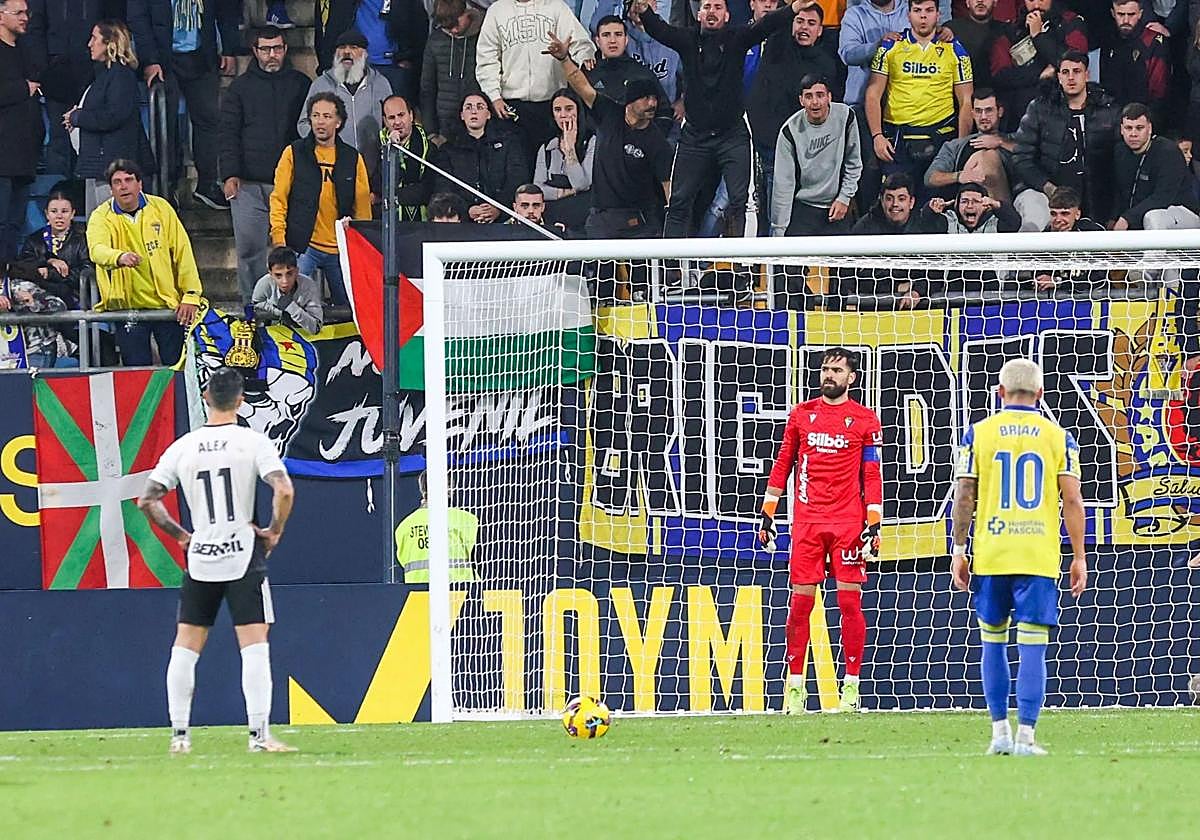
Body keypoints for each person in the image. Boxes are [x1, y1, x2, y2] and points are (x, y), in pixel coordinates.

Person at [138, 366, 298, 755]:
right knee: (255, 644)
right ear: (241, 401)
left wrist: (181, 537)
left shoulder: (183, 446)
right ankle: (259, 736)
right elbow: (284, 489)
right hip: (243, 553)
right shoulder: (252, 441)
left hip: (202, 554)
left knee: (186, 644)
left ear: (206, 397)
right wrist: (274, 530)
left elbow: (147, 499)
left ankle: (179, 737)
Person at [950, 357, 1087, 755]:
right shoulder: (1059, 437)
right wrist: (1078, 556)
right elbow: (1073, 499)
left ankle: (999, 735)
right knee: (1032, 647)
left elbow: (963, 496)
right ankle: (1027, 736)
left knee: (992, 643)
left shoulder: (978, 434)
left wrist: (960, 549)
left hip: (992, 553)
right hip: (1037, 555)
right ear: (1041, 394)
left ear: (1000, 392)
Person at [757, 347, 883, 714]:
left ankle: (851, 687)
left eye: (837, 370)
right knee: (800, 603)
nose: (829, 375)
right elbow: (783, 464)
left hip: (847, 522)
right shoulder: (801, 414)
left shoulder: (864, 420)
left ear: (852, 377)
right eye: (826, 369)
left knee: (848, 601)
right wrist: (769, 512)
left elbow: (872, 474)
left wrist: (873, 523)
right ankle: (795, 687)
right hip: (808, 522)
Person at [630, 0, 807, 237]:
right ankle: (671, 269)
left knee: (741, 202)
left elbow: (766, 25)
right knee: (679, 202)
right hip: (694, 136)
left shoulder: (738, 38)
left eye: (718, 6)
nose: (712, 11)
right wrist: (643, 10)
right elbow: (660, 30)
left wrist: (794, 9)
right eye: (707, 6)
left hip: (732, 135)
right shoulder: (687, 40)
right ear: (699, 14)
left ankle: (742, 269)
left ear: (727, 15)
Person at [546, 33, 674, 240]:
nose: (652, 104)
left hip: (638, 220)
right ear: (630, 102)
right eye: (645, 99)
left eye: (654, 99)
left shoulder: (657, 142)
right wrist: (564, 59)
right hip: (601, 216)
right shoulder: (609, 113)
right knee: (601, 270)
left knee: (640, 271)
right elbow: (581, 84)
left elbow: (668, 186)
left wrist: (672, 227)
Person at [219, 25, 312, 307]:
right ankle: (255, 309)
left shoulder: (301, 84)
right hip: (249, 185)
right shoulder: (239, 88)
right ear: (255, 51)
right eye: (266, 49)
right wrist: (230, 174)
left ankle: (298, 307)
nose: (272, 55)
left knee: (295, 250)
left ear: (285, 49)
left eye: (278, 48)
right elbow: (228, 133)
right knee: (250, 251)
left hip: (290, 184)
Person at [126, 0, 242, 210]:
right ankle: (167, 186)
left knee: (209, 119)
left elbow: (226, 10)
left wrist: (229, 49)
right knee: (165, 124)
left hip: (201, 55)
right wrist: (150, 60)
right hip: (163, 58)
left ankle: (207, 184)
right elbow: (138, 19)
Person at [86, 159, 202, 366]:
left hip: (167, 308)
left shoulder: (161, 208)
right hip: (128, 309)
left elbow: (182, 252)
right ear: (111, 189)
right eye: (117, 182)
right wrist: (118, 257)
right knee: (136, 375)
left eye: (129, 180)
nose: (123, 186)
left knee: (177, 369)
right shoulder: (100, 216)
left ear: (140, 184)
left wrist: (191, 294)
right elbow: (96, 250)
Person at [865, 0, 974, 201]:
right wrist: (877, 136)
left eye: (929, 10)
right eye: (917, 10)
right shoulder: (890, 47)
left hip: (941, 139)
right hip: (897, 141)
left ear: (937, 15)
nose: (923, 16)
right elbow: (873, 94)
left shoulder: (956, 50)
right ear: (908, 15)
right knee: (897, 205)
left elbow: (966, 101)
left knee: (936, 206)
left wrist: (960, 146)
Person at [271, 93, 372, 306]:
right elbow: (279, 198)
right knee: (290, 304)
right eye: (315, 115)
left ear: (339, 122)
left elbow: (362, 208)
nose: (320, 121)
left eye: (326, 116)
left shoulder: (352, 158)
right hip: (302, 246)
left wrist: (359, 248)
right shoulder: (293, 152)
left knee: (349, 308)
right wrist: (279, 239)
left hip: (340, 248)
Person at [476, 0, 595, 173]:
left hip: (551, 105)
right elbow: (486, 58)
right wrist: (494, 96)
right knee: (518, 167)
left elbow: (578, 40)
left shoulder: (556, 7)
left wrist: (585, 56)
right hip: (511, 105)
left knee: (550, 168)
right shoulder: (497, 11)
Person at [747, 3, 842, 219]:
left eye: (811, 23)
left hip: (807, 154)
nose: (804, 28)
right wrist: (793, 7)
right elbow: (772, 22)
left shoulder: (826, 65)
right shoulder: (776, 45)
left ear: (820, 30)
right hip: (770, 146)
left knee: (795, 216)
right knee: (770, 215)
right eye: (799, 21)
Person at [1011, 51, 1119, 230]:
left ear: (1087, 75)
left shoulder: (1108, 110)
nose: (1071, 78)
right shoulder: (1040, 108)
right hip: (1045, 191)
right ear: (1058, 76)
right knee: (1035, 213)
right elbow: (1021, 158)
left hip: (1095, 195)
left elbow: (1119, 163)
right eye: (1065, 72)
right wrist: (1047, 187)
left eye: (1076, 71)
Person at [64, 20, 150, 214]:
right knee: (97, 229)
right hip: (98, 167)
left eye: (94, 38)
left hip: (112, 169)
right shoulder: (103, 76)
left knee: (112, 228)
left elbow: (113, 115)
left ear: (110, 42)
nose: (89, 44)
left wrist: (78, 117)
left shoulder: (121, 76)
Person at [298, 28, 394, 200]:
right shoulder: (321, 85)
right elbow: (304, 124)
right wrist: (325, 146)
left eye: (353, 47)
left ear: (365, 53)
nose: (347, 52)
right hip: (331, 171)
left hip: (373, 174)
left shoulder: (381, 84)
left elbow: (391, 121)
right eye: (342, 48)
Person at [839, 0, 912, 211]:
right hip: (861, 106)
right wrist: (878, 46)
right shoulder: (855, 15)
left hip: (902, 107)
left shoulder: (909, 12)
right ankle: (868, 230)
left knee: (902, 178)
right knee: (869, 172)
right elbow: (847, 53)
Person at [770, 74, 862, 236]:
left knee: (843, 260)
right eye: (808, 96)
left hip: (837, 206)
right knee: (790, 260)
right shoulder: (789, 130)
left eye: (820, 95)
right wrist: (779, 230)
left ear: (829, 97)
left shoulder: (846, 116)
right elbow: (783, 184)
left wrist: (844, 198)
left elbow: (853, 164)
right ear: (801, 100)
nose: (815, 102)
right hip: (803, 207)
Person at [989, 0, 1088, 130]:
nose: (1036, 5)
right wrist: (1039, 75)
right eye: (1031, 0)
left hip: (1062, 114)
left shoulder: (1072, 23)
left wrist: (1038, 36)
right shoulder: (1010, 30)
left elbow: (1075, 64)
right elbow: (999, 75)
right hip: (1019, 119)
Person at [846, 172, 936, 308]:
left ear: (911, 202)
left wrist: (917, 290)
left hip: (918, 308)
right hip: (874, 308)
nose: (895, 204)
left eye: (901, 198)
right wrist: (899, 287)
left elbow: (935, 274)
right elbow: (861, 280)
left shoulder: (923, 226)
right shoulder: (864, 229)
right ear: (881, 200)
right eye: (889, 198)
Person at [436, 92, 530, 224]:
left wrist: (499, 208)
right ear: (462, 115)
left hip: (504, 220)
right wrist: (466, 210)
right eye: (468, 107)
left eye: (480, 107)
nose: (474, 111)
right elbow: (443, 187)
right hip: (462, 222)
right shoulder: (448, 149)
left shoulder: (509, 143)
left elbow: (517, 179)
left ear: (489, 114)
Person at [1111, 102, 1199, 231]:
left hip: (1183, 213)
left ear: (1150, 128)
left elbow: (1162, 198)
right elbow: (1119, 192)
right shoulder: (1120, 151)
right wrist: (1113, 217)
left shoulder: (1168, 151)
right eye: (1129, 128)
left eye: (1139, 128)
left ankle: (1155, 252)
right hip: (1137, 215)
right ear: (1121, 130)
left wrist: (1127, 218)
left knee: (1153, 216)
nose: (1133, 134)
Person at [924, 88, 1019, 204]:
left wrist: (1000, 142)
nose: (983, 117)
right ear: (972, 113)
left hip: (1013, 199)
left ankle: (1002, 214)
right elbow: (930, 178)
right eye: (978, 111)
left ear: (1000, 112)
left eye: (988, 110)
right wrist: (959, 176)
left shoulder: (1013, 140)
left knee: (987, 156)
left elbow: (1033, 154)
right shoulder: (955, 145)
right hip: (966, 202)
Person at [0, 0, 42, 262]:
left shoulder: (28, 50)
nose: (25, 17)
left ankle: (9, 282)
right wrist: (21, 89)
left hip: (25, 156)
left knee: (14, 226)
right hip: (2, 158)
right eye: (18, 13)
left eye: (27, 12)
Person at [587, 15, 673, 133]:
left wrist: (649, 140)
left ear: (626, 40)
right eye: (606, 35)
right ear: (597, 41)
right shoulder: (587, 72)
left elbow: (664, 112)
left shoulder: (642, 73)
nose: (613, 40)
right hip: (594, 144)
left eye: (618, 34)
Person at [394, 471, 478, 584]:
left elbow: (403, 561)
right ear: (449, 488)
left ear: (422, 489)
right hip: (460, 593)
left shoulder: (404, 526)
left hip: (416, 595)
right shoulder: (465, 519)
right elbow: (480, 558)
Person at [420, 0, 484, 144]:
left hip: (480, 128)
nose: (453, 30)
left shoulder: (485, 35)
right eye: (447, 27)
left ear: (466, 13)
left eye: (456, 24)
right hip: (445, 131)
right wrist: (431, 133)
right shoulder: (435, 41)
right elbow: (427, 89)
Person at [533, 87, 596, 231]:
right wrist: (566, 192)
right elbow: (538, 189)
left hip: (583, 219)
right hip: (554, 219)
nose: (563, 115)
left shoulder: (592, 142)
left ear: (578, 111)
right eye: (557, 110)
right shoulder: (546, 147)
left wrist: (570, 150)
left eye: (568, 109)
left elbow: (581, 184)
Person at [14, 189, 89, 308]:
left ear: (73, 213)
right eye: (54, 211)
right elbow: (22, 267)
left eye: (64, 211)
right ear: (47, 214)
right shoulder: (34, 240)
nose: (59, 216)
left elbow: (87, 271)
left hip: (74, 296)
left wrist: (51, 274)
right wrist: (48, 260)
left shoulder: (83, 238)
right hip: (38, 294)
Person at [1100, 0, 1170, 126]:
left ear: (1140, 14)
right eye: (1121, 14)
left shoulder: (1153, 43)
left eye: (1131, 14)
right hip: (1111, 118)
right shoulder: (1108, 39)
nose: (1126, 20)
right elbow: (1105, 82)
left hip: (1144, 120)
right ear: (1113, 13)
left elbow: (1158, 93)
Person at [1025, 186, 1106, 290]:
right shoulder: (1044, 239)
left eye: (1064, 214)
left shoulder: (1093, 233)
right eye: (1054, 214)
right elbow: (1040, 277)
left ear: (1077, 214)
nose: (1058, 219)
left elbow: (1099, 279)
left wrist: (1059, 282)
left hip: (1093, 300)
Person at [381, 94, 439, 222]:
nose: (397, 122)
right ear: (385, 121)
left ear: (411, 116)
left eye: (401, 115)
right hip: (388, 221)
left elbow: (429, 188)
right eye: (391, 118)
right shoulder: (378, 147)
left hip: (423, 222)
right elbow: (380, 186)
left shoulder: (429, 148)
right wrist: (392, 151)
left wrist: (397, 195)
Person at [251, 246, 324, 333]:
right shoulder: (264, 283)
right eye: (278, 275)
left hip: (303, 335)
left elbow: (316, 327)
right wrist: (278, 312)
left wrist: (292, 308)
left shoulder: (309, 286)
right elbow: (256, 302)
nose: (284, 281)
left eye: (289, 274)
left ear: (297, 271)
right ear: (271, 274)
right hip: (274, 333)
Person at [947, 0, 1006, 91]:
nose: (980, 1)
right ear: (967, 2)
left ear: (995, 2)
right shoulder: (951, 30)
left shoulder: (1006, 31)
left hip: (998, 95)